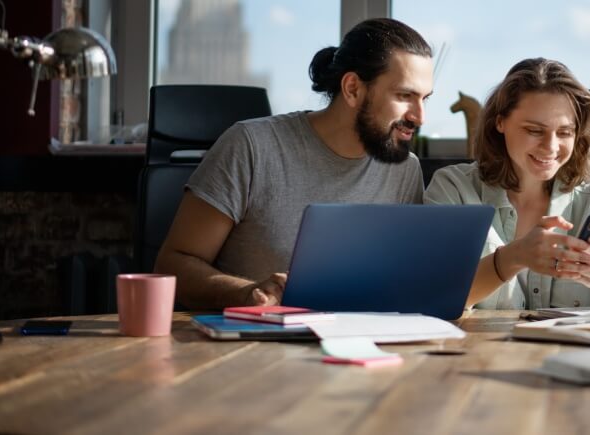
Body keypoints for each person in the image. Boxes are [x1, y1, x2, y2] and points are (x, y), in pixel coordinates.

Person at [156, 18, 434, 309]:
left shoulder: (405, 169)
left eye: (425, 98)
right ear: (352, 89)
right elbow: (172, 266)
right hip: (257, 344)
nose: (420, 116)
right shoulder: (251, 146)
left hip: (362, 341)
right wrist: (247, 293)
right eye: (405, 96)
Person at [424, 58, 590, 314]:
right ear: (500, 123)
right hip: (481, 353)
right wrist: (514, 257)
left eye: (565, 132)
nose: (551, 147)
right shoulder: (453, 190)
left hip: (575, 352)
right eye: (534, 130)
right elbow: (432, 298)